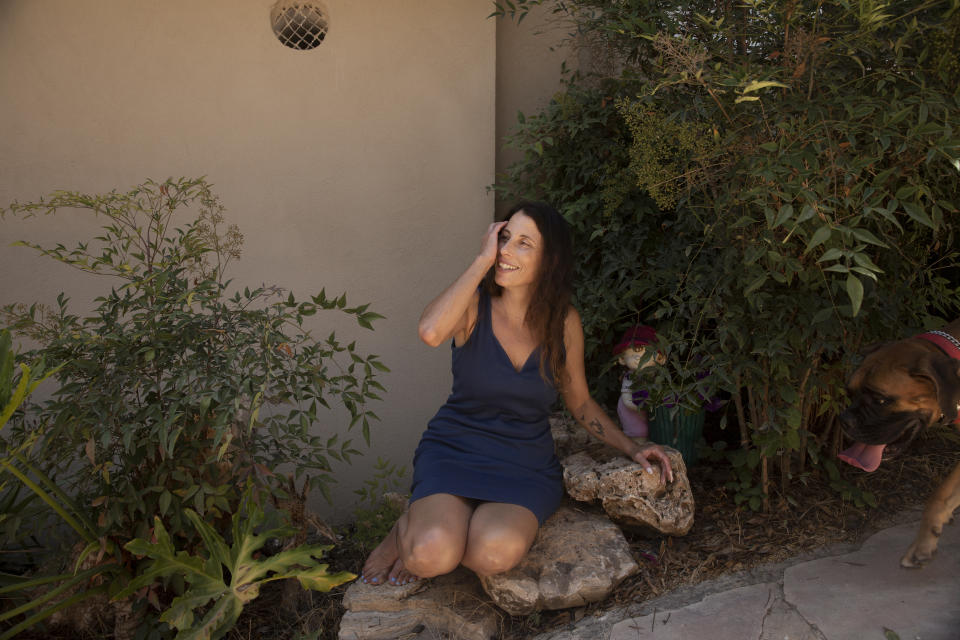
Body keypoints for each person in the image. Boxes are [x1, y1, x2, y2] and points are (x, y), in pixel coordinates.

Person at [360, 202, 674, 586]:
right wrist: (481, 261)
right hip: (455, 450)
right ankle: (406, 529)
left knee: (491, 554)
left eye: (523, 243)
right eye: (504, 238)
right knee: (429, 555)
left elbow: (580, 402)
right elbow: (430, 332)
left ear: (550, 260)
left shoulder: (564, 324)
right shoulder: (473, 306)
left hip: (522, 463)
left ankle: (450, 523)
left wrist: (631, 448)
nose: (506, 250)